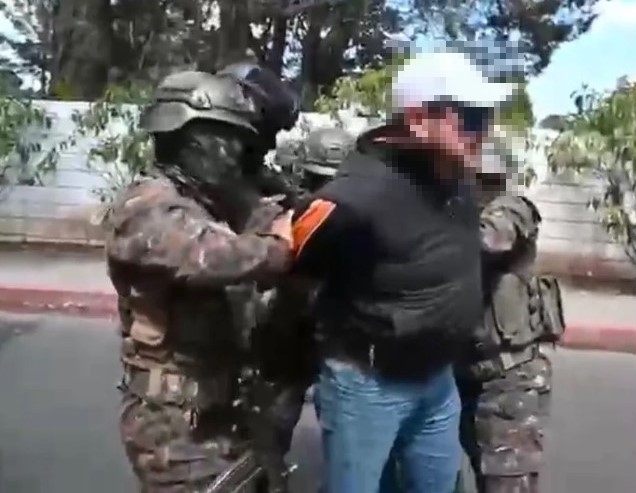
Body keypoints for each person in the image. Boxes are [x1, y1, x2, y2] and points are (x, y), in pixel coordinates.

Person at [289, 50, 515, 493]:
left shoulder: (455, 175)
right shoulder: (357, 196)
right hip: (368, 387)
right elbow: (298, 258)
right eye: (470, 118)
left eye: (486, 118)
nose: (482, 132)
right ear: (417, 119)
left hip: (437, 381)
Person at [106, 65, 301, 492]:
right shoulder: (147, 205)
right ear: (191, 140)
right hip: (174, 424)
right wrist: (279, 245)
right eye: (227, 139)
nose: (236, 154)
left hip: (225, 408)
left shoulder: (208, 202)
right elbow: (215, 257)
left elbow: (266, 217)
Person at [455, 133, 566, 493]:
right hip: (458, 374)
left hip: (507, 379)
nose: (476, 187)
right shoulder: (453, 211)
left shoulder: (513, 208)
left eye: (482, 180)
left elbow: (493, 240)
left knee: (506, 482)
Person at [262, 126, 356, 457]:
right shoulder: (282, 212)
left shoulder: (358, 216)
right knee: (274, 424)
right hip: (293, 334)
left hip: (334, 336)